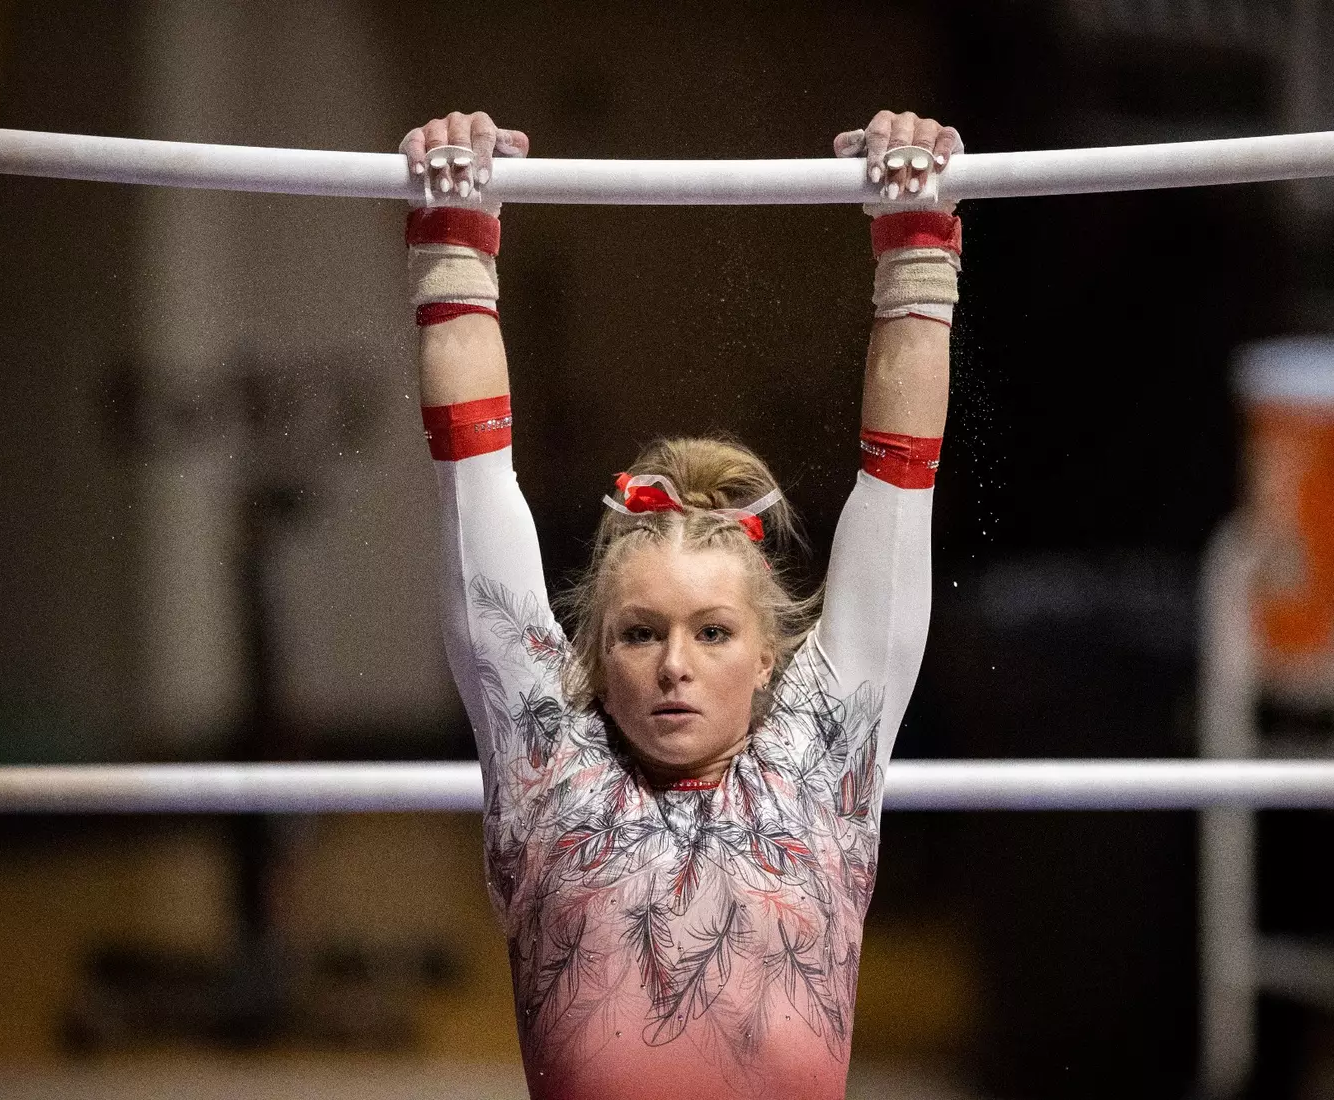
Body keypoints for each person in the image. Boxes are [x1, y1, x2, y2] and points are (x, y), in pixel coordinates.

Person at [399, 108, 963, 1100]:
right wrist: (455, 235)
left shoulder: (821, 754)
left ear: (767, 656)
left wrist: (917, 239)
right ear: (589, 653)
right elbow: (474, 481)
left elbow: (898, 485)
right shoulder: (551, 762)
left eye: (712, 631)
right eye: (640, 631)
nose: (673, 663)